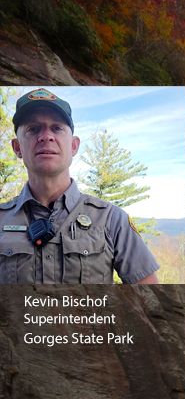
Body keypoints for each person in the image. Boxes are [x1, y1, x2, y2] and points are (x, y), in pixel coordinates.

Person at [0, 88, 160, 284]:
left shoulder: (111, 219)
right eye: (33, 129)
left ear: (74, 146)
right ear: (17, 148)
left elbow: (150, 301)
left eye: (57, 128)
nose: (46, 136)